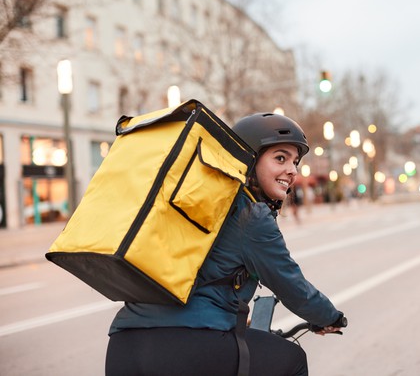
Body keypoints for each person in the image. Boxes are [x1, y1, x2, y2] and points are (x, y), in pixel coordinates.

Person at [105, 112, 346, 376]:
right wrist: (329, 317)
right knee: (292, 360)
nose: (292, 170)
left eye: (295, 162)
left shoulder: (193, 204)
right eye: (280, 158)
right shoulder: (251, 216)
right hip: (185, 348)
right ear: (249, 161)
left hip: (124, 346)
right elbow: (292, 286)